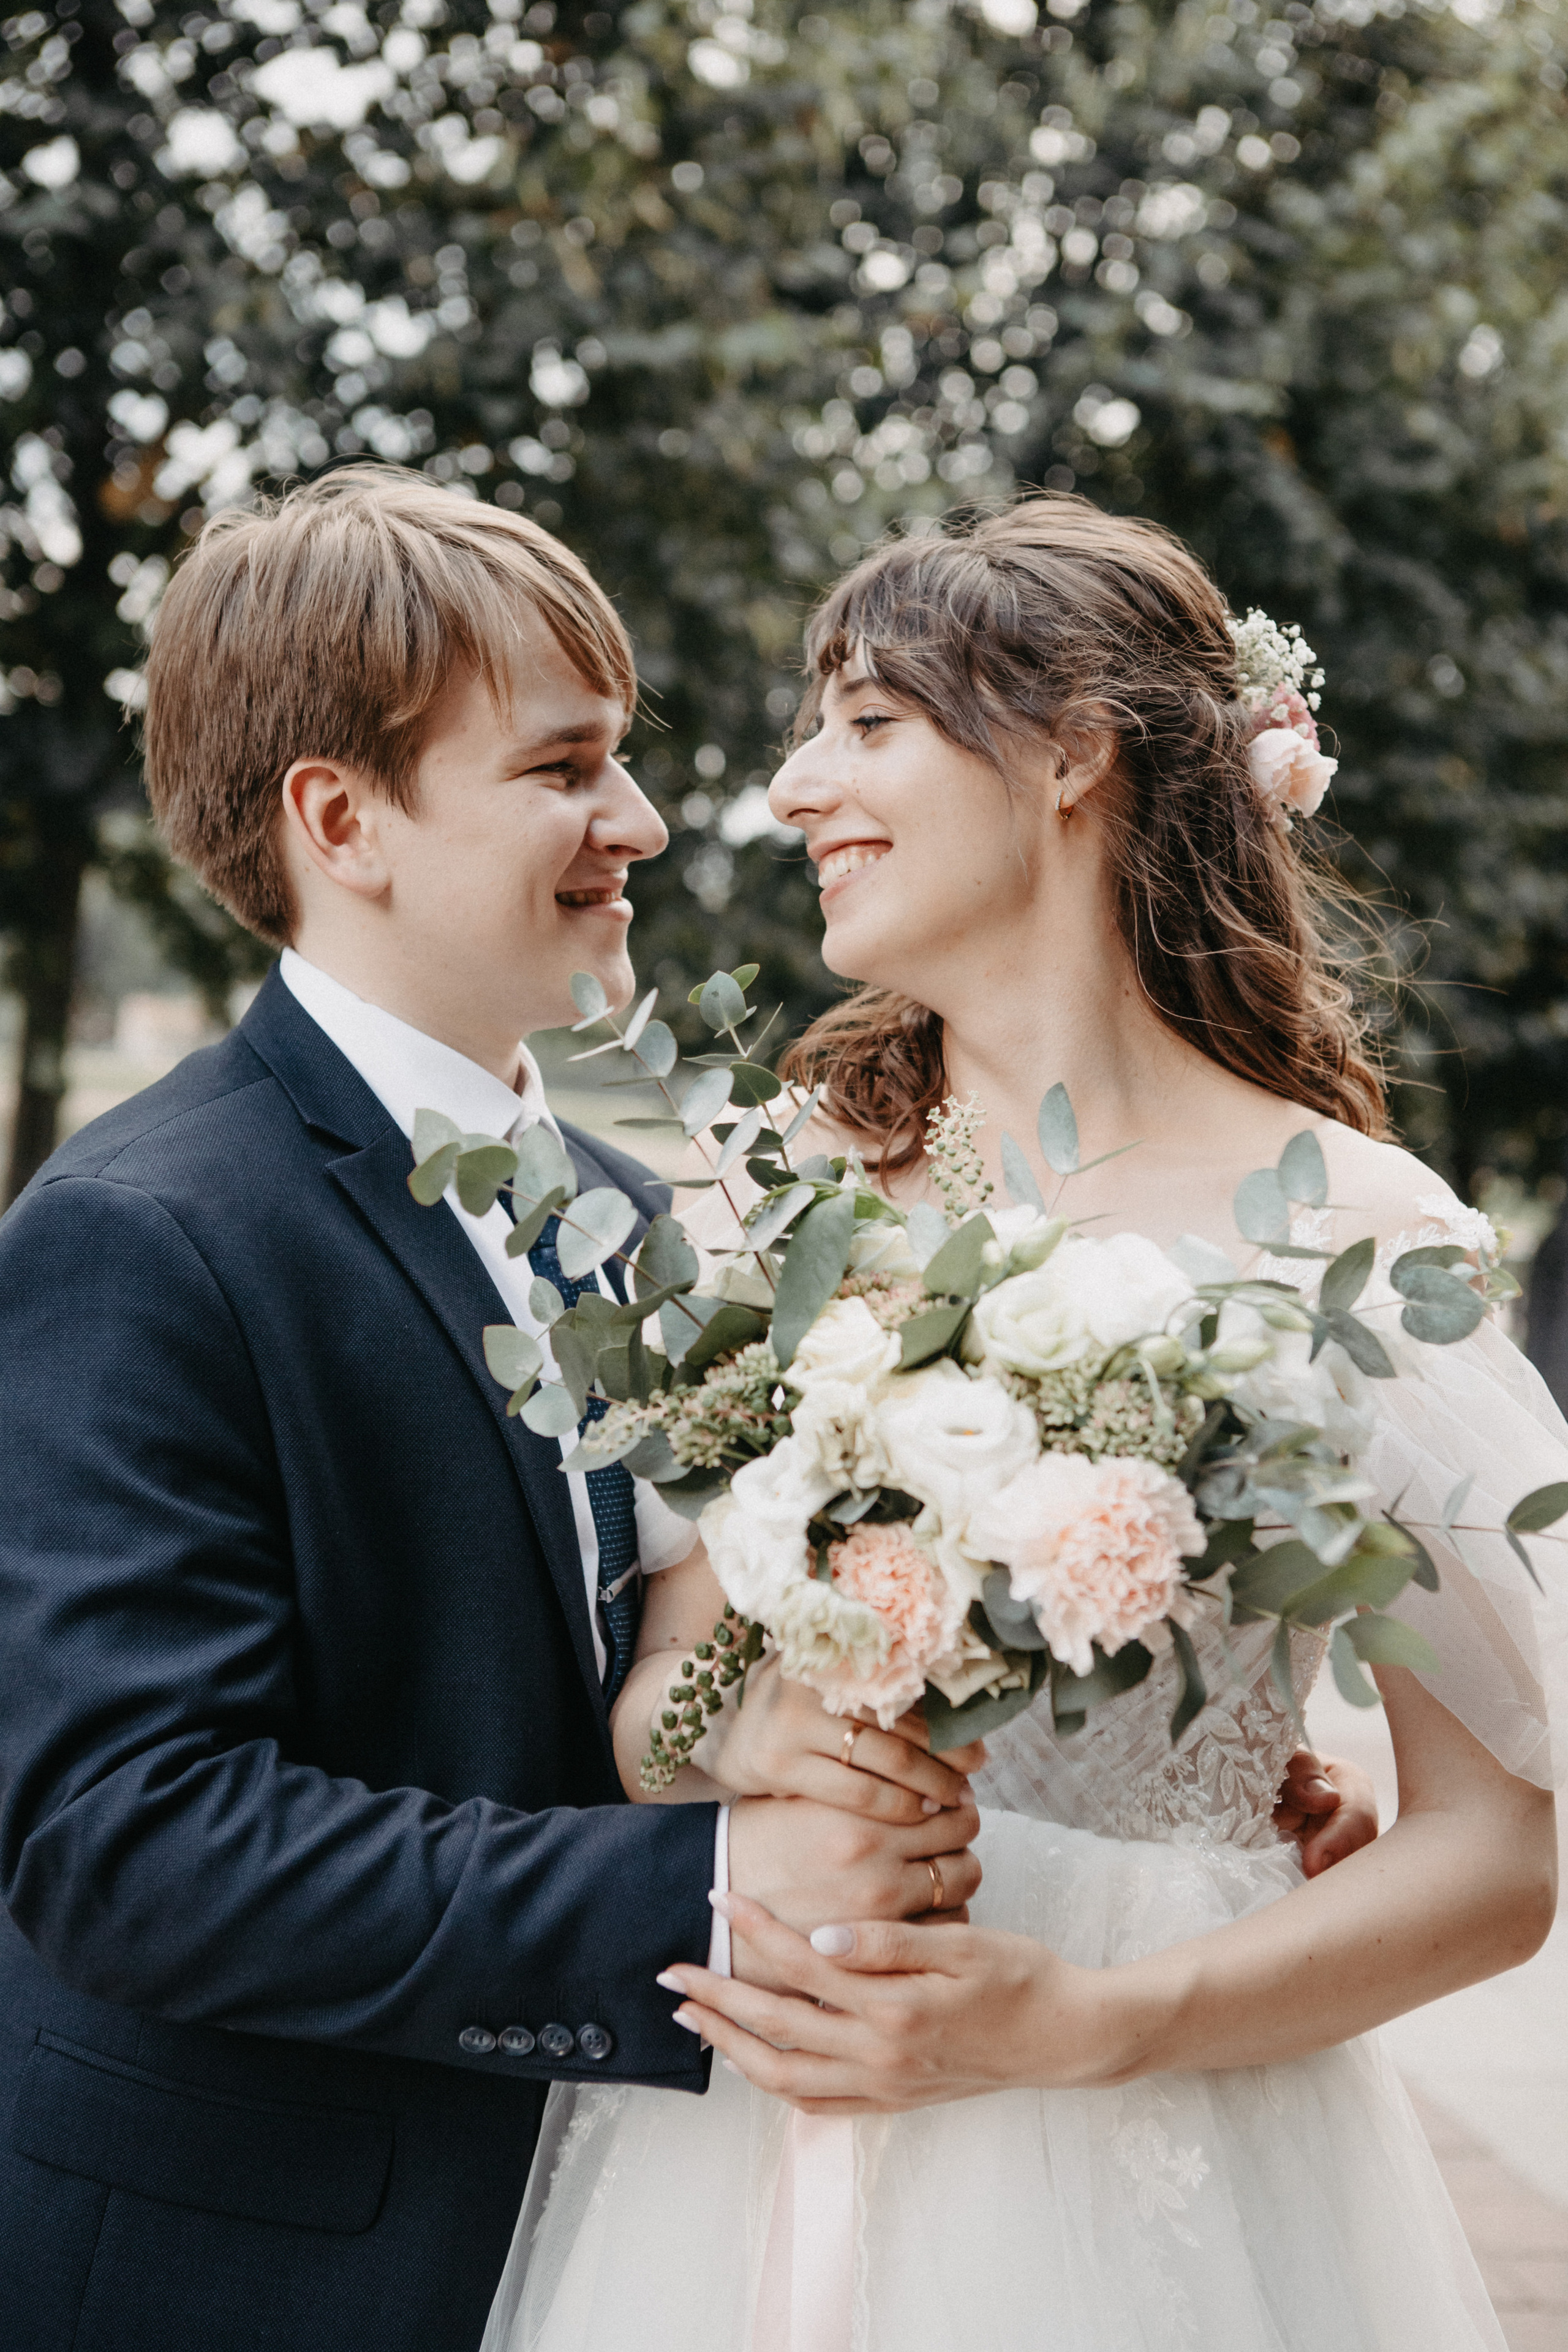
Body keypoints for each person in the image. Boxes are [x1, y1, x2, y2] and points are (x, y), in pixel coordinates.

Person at [494, 498, 1564, 2352]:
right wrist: (764, 1728)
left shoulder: (1356, 1237)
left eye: (867, 722)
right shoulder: (758, 1201)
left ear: (1072, 752)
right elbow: (653, 1710)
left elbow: (1496, 1859)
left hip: (1168, 2151)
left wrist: (1094, 2024)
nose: (793, 787)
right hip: (757, 2113)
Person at [0, 466, 986, 2352]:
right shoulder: (141, 1236)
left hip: (582, 2232)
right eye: (564, 768)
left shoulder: (617, 1210)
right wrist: (705, 1882)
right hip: (250, 2265)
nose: (641, 821)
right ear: (341, 819)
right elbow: (129, 1843)